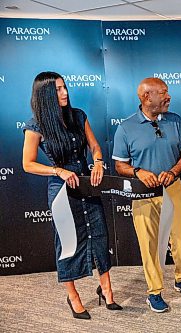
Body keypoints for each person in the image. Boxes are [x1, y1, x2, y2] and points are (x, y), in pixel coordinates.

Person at [22, 71, 121, 320]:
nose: (64, 92)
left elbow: (95, 147)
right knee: (68, 243)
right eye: (57, 89)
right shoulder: (36, 125)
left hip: (87, 183)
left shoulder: (78, 116)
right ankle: (73, 296)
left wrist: (98, 162)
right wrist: (58, 170)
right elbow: (28, 164)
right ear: (44, 94)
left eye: (64, 87)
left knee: (99, 235)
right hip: (61, 190)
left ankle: (107, 289)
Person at [112, 78, 181, 313]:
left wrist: (173, 171)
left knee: (180, 238)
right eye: (163, 93)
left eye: (167, 92)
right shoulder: (126, 127)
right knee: (149, 243)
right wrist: (138, 172)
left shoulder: (175, 120)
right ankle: (154, 292)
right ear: (146, 97)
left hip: (174, 188)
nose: (168, 96)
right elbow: (120, 165)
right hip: (143, 194)